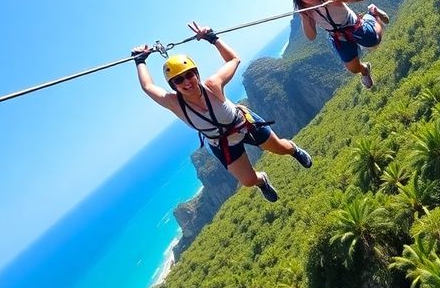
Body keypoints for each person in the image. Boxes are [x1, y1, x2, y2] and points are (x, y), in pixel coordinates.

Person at [130, 22, 312, 202]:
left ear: (196, 74)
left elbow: (234, 59)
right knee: (248, 181)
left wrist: (212, 38)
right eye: (178, 80)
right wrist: (140, 61)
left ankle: (293, 150)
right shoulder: (174, 103)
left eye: (188, 75)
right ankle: (261, 181)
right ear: (173, 85)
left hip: (245, 124)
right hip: (223, 143)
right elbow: (148, 87)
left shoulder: (212, 85)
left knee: (279, 148)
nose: (186, 82)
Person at [291, 0, 390, 89]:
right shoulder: (307, 12)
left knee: (373, 40)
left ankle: (373, 14)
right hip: (338, 36)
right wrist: (304, 18)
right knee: (354, 69)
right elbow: (311, 36)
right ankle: (364, 70)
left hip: (353, 26)